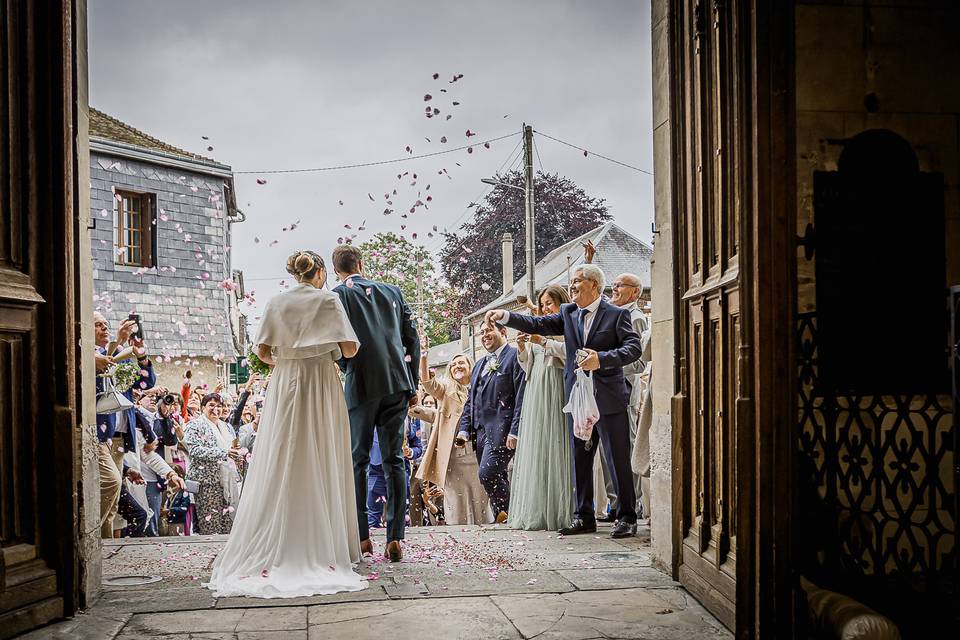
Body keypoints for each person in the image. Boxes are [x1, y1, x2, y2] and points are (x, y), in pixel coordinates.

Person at [207, 250, 366, 598]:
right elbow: (351, 349)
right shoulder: (328, 300)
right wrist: (324, 350)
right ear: (320, 272)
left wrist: (287, 358)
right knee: (323, 451)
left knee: (284, 452)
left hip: (287, 381)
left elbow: (262, 353)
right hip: (321, 381)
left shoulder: (276, 303)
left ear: (294, 273)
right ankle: (325, 546)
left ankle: (277, 539)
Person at [486, 264, 644, 538]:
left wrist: (601, 359)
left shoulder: (616, 315)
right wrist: (505, 315)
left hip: (608, 397)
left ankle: (627, 516)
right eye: (571, 282)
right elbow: (538, 324)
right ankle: (583, 516)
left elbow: (634, 348)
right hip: (577, 397)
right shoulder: (569, 313)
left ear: (594, 285)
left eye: (577, 281)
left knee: (616, 457)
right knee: (580, 458)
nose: (571, 286)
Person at [332, 244, 420, 562]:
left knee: (358, 461)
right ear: (361, 263)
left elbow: (337, 342)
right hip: (397, 382)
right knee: (394, 459)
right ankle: (395, 537)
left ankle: (363, 536)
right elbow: (412, 338)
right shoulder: (393, 291)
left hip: (361, 383)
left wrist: (346, 370)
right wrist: (413, 382)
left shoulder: (338, 294)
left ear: (336, 270)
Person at [508, 285, 574, 531]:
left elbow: (571, 355)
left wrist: (543, 340)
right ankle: (536, 508)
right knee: (537, 447)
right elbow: (528, 365)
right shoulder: (536, 326)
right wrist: (524, 349)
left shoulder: (567, 325)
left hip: (556, 387)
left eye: (550, 303)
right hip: (536, 388)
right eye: (543, 304)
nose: (546, 308)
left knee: (556, 445)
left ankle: (559, 510)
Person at [454, 323, 525, 524]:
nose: (485, 335)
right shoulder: (479, 364)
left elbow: (520, 395)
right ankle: (503, 519)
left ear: (503, 332)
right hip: (480, 432)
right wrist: (464, 430)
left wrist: (515, 430)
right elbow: (471, 400)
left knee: (487, 472)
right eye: (482, 332)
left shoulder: (514, 357)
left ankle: (509, 512)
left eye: (489, 331)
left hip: (503, 429)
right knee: (498, 473)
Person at [94, 311, 156, 537]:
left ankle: (105, 543)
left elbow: (146, 381)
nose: (104, 328)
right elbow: (102, 365)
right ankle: (89, 535)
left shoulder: (121, 353)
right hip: (102, 435)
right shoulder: (91, 354)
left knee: (113, 502)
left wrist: (141, 356)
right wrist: (118, 340)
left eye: (106, 324)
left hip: (121, 436)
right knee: (110, 482)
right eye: (98, 325)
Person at [415, 346, 490, 525]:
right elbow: (428, 383)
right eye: (453, 364)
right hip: (453, 457)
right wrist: (423, 357)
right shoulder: (446, 391)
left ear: (470, 366)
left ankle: (484, 533)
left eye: (461, 362)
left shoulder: (482, 387)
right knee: (456, 500)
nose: (457, 366)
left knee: (480, 498)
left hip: (477, 453)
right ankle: (458, 534)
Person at [610, 272, 651, 519]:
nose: (614, 289)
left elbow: (636, 362)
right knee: (609, 452)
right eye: (613, 285)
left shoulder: (634, 318)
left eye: (620, 286)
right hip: (609, 387)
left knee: (626, 446)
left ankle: (631, 502)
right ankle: (615, 503)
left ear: (635, 292)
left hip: (624, 388)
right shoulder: (615, 314)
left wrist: (605, 365)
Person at [182, 394, 242, 534]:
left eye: (219, 406)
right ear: (203, 407)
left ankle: (225, 553)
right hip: (207, 482)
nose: (216, 409)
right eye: (212, 405)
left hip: (227, 481)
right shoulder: (195, 425)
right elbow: (194, 450)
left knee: (228, 523)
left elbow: (232, 449)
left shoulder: (226, 427)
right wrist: (223, 453)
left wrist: (237, 457)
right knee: (211, 524)